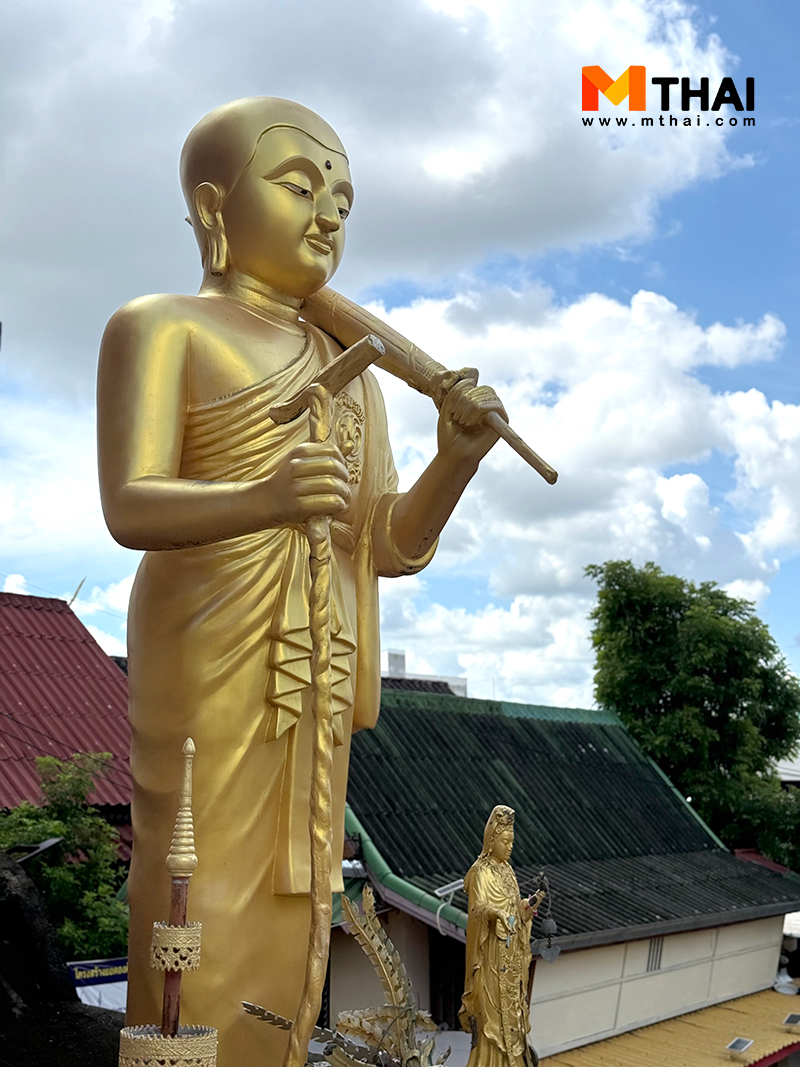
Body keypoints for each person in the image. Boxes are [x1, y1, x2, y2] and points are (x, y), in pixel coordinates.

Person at [97, 97, 506, 1066]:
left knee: (304, 897)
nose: (327, 215)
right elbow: (130, 505)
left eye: (343, 201)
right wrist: (264, 495)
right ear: (213, 208)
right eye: (299, 185)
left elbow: (386, 543)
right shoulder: (163, 327)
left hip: (317, 664)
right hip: (212, 647)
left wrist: (455, 459)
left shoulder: (354, 371)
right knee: (199, 883)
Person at [459, 806, 536, 1067]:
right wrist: (495, 913)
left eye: (512, 842)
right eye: (505, 841)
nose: (509, 847)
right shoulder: (481, 871)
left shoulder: (508, 871)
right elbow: (476, 908)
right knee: (492, 1018)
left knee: (513, 1013)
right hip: (490, 956)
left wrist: (528, 907)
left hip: (510, 955)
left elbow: (515, 910)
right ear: (491, 841)